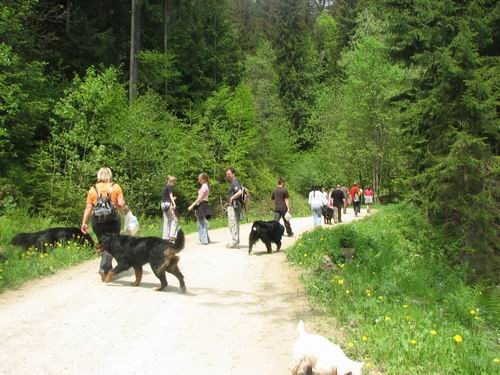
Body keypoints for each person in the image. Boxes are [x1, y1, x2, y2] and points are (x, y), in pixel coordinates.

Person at [81, 167, 127, 281]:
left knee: (103, 243)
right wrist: (125, 209)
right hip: (113, 220)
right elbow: (121, 204)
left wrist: (84, 222)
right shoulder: (116, 187)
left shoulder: (92, 189)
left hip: (97, 221)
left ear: (99, 175)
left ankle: (107, 270)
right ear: (110, 175)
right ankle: (104, 268)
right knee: (111, 245)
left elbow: (88, 207)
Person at [188, 173, 211, 245]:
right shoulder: (205, 186)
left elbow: (200, 198)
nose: (199, 180)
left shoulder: (204, 186)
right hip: (203, 204)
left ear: (204, 179)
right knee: (201, 222)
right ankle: (206, 239)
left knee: (201, 223)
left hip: (202, 205)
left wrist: (192, 205)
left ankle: (204, 240)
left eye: (200, 179)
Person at [225, 167, 242, 249]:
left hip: (234, 205)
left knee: (233, 224)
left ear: (233, 174)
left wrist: (231, 198)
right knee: (235, 224)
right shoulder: (234, 181)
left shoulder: (234, 181)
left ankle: (235, 242)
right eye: (227, 174)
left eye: (229, 174)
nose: (227, 175)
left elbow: (239, 192)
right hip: (235, 205)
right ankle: (236, 242)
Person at [161, 176, 178, 241]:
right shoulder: (170, 186)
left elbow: (165, 197)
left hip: (163, 204)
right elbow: (170, 195)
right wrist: (174, 203)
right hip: (168, 204)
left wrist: (172, 199)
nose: (174, 183)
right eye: (174, 182)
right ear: (172, 181)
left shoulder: (164, 187)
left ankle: (165, 237)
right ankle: (172, 236)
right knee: (174, 219)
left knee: (166, 221)